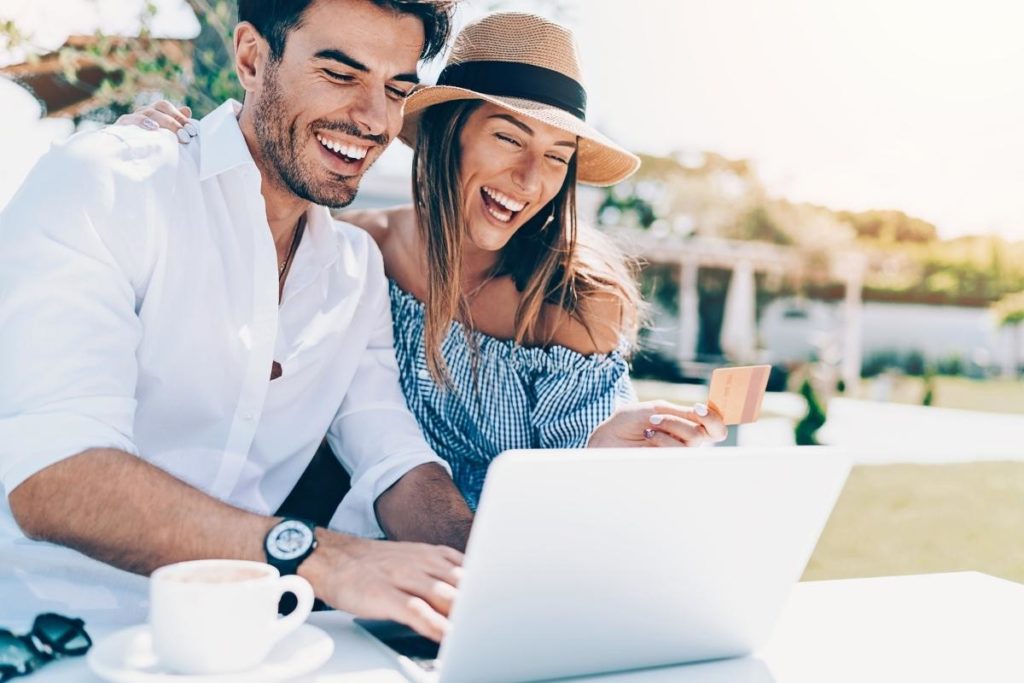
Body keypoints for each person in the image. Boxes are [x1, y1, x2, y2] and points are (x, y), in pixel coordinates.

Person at [0, 0, 470, 641]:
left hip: (236, 642)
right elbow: (53, 474)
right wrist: (321, 557)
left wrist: (484, 569)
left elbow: (391, 455)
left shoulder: (356, 271)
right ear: (252, 58)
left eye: (395, 90)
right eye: (340, 74)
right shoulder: (108, 184)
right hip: (39, 635)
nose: (373, 119)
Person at [133, 12, 728, 511]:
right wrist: (169, 153)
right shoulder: (351, 257)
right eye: (509, 138)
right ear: (449, 131)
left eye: (556, 156)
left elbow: (581, 445)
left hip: (524, 564)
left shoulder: (575, 294)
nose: (529, 179)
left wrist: (612, 441)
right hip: (378, 571)